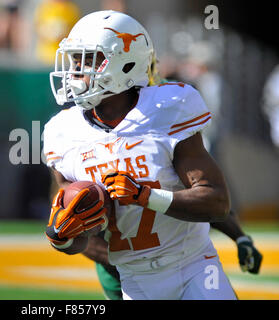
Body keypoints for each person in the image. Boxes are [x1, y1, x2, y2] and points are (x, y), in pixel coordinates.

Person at [44, 10, 241, 300]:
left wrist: (144, 196)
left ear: (126, 63)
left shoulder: (168, 108)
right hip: (135, 281)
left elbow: (216, 202)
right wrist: (62, 238)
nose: (76, 71)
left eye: (89, 59)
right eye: (75, 59)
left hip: (193, 267)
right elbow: (80, 237)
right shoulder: (62, 132)